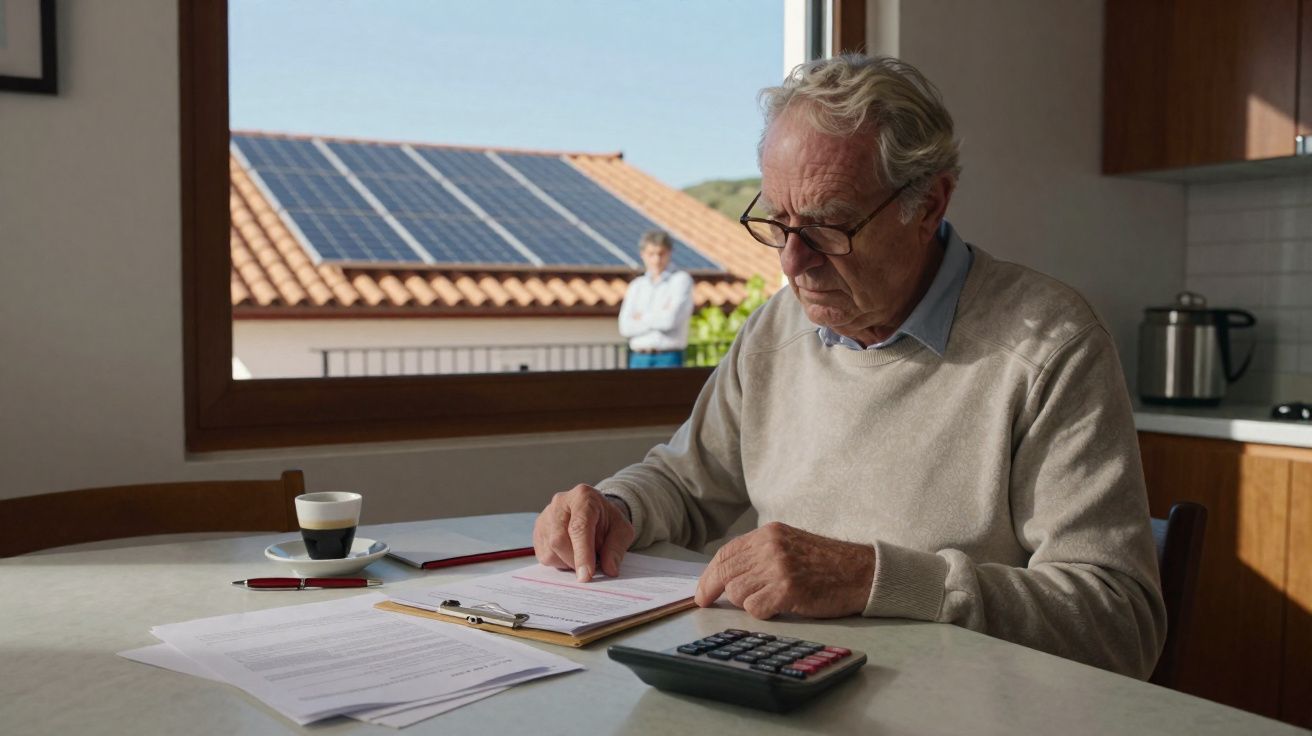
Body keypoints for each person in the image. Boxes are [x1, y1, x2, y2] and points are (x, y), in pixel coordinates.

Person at [533, 54, 1166, 679]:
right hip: (786, 694)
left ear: (929, 205)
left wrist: (872, 578)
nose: (791, 262)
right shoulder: (776, 329)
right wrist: (617, 506)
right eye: (778, 223)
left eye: (829, 227)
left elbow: (1120, 624)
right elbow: (685, 484)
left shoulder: (1050, 345)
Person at [618, 230, 695, 368]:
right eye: (651, 254)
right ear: (643, 255)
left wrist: (640, 317)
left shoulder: (680, 280)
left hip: (668, 358)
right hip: (638, 358)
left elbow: (669, 321)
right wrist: (658, 315)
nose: (656, 260)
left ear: (669, 253)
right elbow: (625, 327)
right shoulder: (636, 286)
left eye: (661, 254)